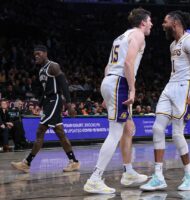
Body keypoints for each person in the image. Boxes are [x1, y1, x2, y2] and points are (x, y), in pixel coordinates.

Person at [83, 8, 153, 194]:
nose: (152, 24)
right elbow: (128, 63)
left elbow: (108, 66)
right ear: (143, 22)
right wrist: (132, 88)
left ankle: (128, 171)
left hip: (110, 81)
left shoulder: (120, 37)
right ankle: (95, 178)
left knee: (128, 128)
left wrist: (106, 95)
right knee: (115, 132)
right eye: (150, 21)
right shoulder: (138, 34)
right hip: (119, 83)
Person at [140, 10, 190, 191]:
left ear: (175, 23)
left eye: (165, 21)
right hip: (171, 86)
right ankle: (158, 176)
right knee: (157, 128)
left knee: (177, 133)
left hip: (186, 88)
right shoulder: (172, 45)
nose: (162, 24)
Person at [11, 45, 80, 173]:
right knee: (60, 132)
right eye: (35, 55)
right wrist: (40, 104)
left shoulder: (53, 66)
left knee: (40, 130)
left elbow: (64, 84)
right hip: (48, 101)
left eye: (39, 54)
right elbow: (45, 90)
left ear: (45, 53)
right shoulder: (41, 70)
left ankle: (27, 163)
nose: (36, 56)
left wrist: (69, 105)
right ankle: (74, 161)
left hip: (55, 100)